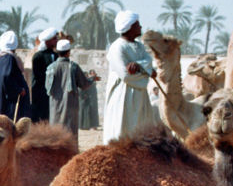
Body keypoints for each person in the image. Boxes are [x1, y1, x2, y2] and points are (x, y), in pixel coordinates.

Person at [103, 10, 158, 144]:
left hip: (140, 95)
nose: (140, 27)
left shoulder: (139, 46)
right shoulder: (117, 48)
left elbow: (149, 62)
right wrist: (146, 72)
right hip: (123, 94)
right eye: (137, 25)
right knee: (123, 129)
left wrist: (138, 66)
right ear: (129, 27)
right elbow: (126, 75)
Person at [45, 39, 97, 143]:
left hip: (55, 106)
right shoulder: (73, 67)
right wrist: (92, 79)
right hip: (70, 107)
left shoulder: (51, 67)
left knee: (55, 134)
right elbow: (84, 84)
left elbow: (47, 88)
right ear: (69, 52)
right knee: (70, 133)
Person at [0, 31, 31, 121]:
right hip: (9, 105)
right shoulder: (7, 58)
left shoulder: (1, 58)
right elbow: (6, 77)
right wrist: (19, 90)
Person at [30, 27, 58, 123]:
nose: (56, 41)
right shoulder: (38, 56)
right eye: (54, 39)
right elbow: (38, 76)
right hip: (41, 93)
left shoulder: (56, 55)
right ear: (47, 41)